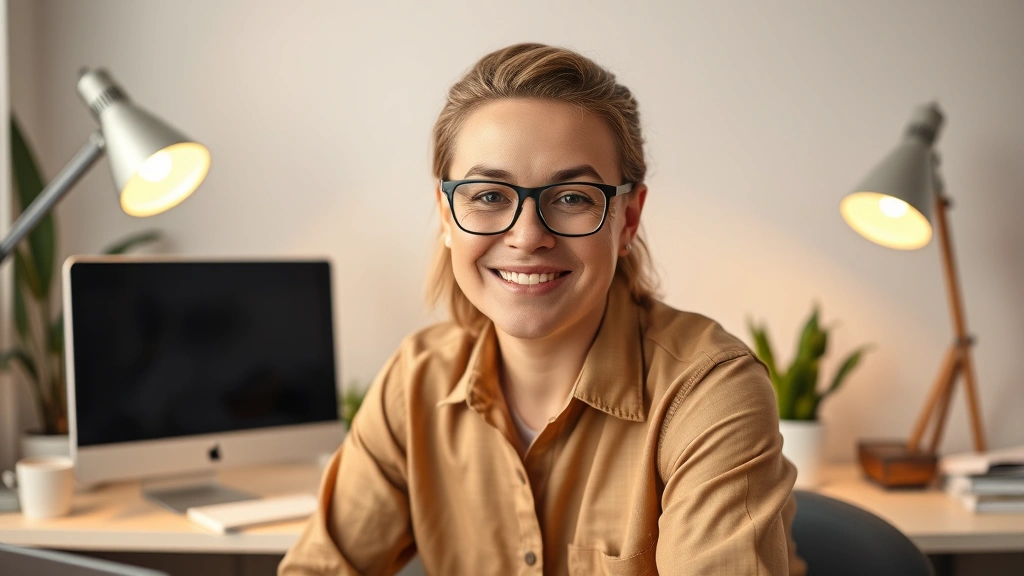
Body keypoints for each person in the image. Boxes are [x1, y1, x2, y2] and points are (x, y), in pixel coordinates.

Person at [279, 43, 805, 576]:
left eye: (573, 197)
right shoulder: (415, 381)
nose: (527, 237)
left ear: (627, 218)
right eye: (488, 196)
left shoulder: (710, 393)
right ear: (445, 214)